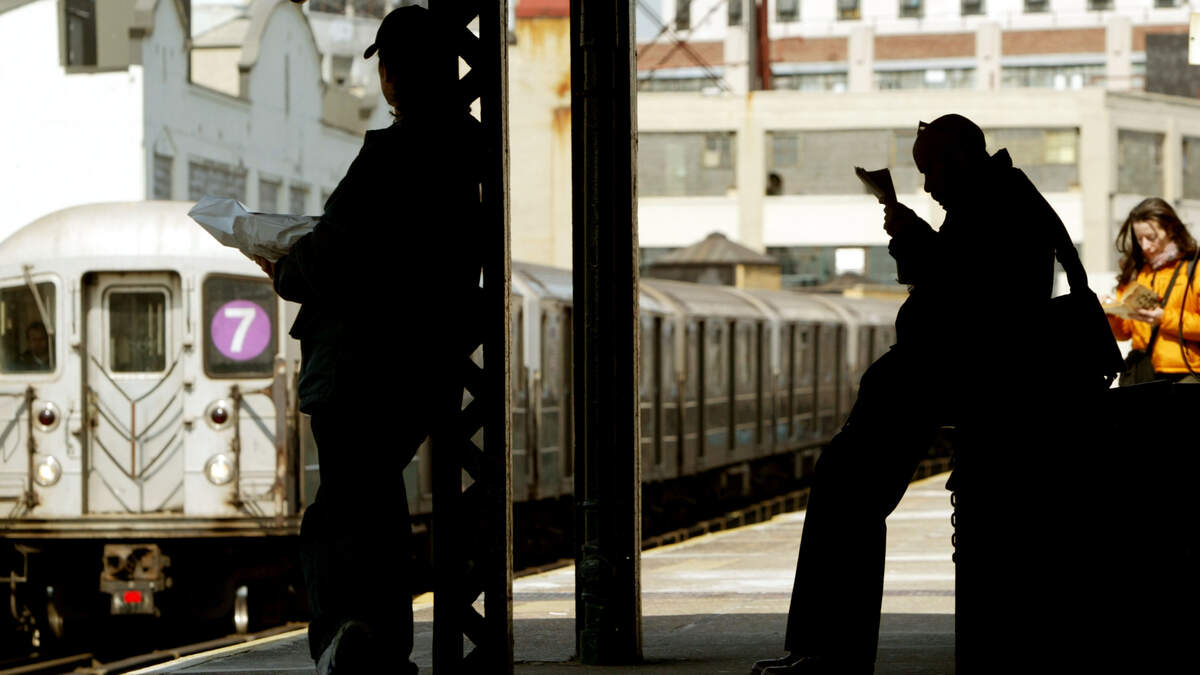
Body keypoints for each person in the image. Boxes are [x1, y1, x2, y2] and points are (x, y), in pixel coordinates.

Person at [750, 114, 1067, 674]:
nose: (926, 185)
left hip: (947, 374)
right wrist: (916, 236)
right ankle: (825, 649)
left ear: (958, 159)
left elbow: (973, 296)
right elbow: (964, 279)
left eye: (931, 171)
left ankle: (828, 653)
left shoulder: (996, 206)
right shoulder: (997, 199)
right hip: (953, 374)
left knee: (845, 486)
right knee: (847, 486)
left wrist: (913, 235)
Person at [253, 6, 478, 674]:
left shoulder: (394, 154)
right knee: (379, 508)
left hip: (358, 368)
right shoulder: (467, 150)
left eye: (391, 68)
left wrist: (284, 267)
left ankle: (349, 642)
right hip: (420, 367)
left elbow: (335, 251)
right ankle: (384, 647)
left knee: (339, 516)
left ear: (395, 77)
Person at [1105, 198, 1200, 383]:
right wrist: (1110, 314)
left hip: (1185, 373)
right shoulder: (1137, 271)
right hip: (1143, 373)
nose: (1145, 246)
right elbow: (1124, 333)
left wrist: (1164, 318)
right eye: (1139, 239)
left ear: (1171, 230)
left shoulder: (1194, 267)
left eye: (1151, 237)